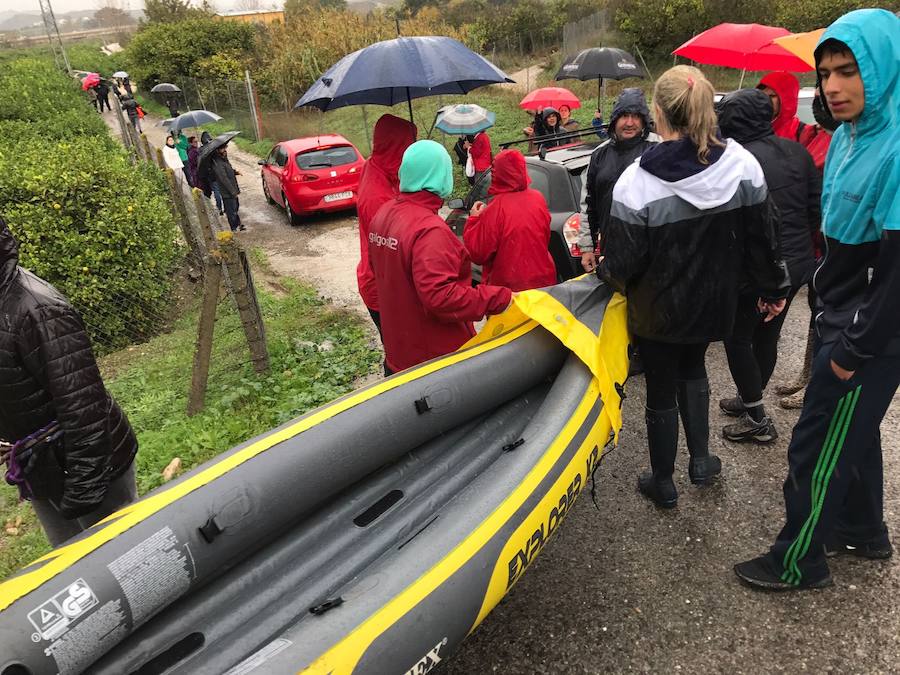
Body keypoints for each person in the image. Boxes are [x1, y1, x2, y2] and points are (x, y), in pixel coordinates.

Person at [735, 9, 900, 591]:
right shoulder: (855, 135)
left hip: (867, 329)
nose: (833, 86)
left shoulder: (898, 147)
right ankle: (862, 529)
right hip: (843, 310)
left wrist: (853, 347)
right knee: (854, 435)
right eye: (826, 72)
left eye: (849, 71)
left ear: (884, 69)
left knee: (815, 443)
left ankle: (798, 559)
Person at [596, 65, 789, 509]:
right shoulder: (742, 164)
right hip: (713, 303)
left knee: (661, 387)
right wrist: (774, 287)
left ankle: (663, 481)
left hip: (658, 310)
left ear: (657, 113)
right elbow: (765, 236)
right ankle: (701, 460)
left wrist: (602, 277)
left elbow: (623, 263)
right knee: (695, 368)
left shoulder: (637, 181)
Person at [0, 217, 138, 547]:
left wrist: (84, 490)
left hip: (88, 468)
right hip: (42, 469)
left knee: (120, 560)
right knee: (70, 569)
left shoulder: (37, 310)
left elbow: (85, 410)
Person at [715, 88, 821, 443]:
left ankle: (757, 418)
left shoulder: (738, 160)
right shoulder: (796, 150)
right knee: (767, 335)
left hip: (758, 268)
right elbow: (814, 210)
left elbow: (739, 225)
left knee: (737, 337)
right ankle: (750, 399)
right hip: (798, 264)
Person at [367, 140, 511, 374]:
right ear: (441, 176)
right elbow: (441, 297)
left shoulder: (383, 215)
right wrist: (498, 298)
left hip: (399, 354)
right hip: (435, 361)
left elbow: (383, 274)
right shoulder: (429, 230)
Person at [777, 92, 840, 409]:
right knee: (816, 312)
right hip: (813, 240)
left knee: (827, 315)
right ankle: (806, 374)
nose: (824, 99)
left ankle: (816, 381)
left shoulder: (847, 142)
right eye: (821, 93)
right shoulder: (813, 135)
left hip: (836, 239)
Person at [578, 88, 657, 272]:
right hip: (611, 254)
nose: (629, 123)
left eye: (635, 116)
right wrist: (587, 248)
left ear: (644, 120)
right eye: (624, 116)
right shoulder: (599, 154)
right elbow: (588, 204)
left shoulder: (658, 149)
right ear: (614, 120)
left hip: (651, 256)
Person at [356, 114, 417, 342]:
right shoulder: (377, 198)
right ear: (396, 147)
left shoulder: (377, 165)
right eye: (409, 145)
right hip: (383, 290)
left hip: (384, 284)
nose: (411, 152)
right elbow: (397, 253)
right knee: (400, 353)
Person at [463, 149, 556, 291]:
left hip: (509, 292)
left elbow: (478, 254)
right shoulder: (538, 199)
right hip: (543, 285)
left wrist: (474, 219)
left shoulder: (495, 208)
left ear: (498, 174)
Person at [757, 71, 806, 141]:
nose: (765, 99)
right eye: (761, 95)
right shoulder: (751, 127)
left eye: (772, 96)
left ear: (786, 99)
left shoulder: (803, 133)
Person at [210, 143, 244, 231]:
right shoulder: (217, 163)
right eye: (223, 149)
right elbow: (223, 179)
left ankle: (238, 224)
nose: (225, 150)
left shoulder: (224, 160)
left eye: (225, 149)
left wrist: (235, 172)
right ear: (218, 151)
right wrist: (233, 192)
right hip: (227, 192)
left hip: (232, 188)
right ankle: (234, 227)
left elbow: (228, 170)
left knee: (235, 207)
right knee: (230, 209)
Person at [198, 131, 224, 216]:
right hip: (217, 172)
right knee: (221, 189)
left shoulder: (201, 150)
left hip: (209, 174)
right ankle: (224, 207)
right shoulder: (213, 147)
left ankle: (219, 208)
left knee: (216, 191)